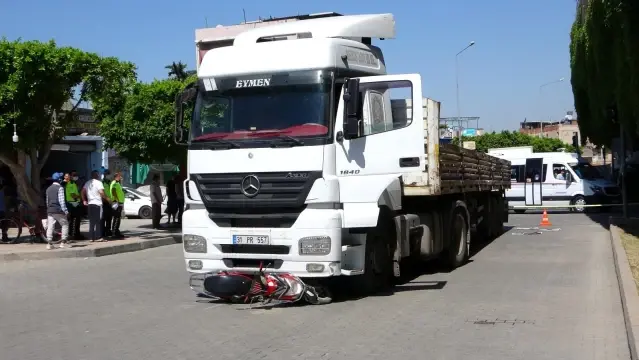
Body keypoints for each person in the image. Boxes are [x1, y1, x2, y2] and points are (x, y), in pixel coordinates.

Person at [81, 170, 111, 242]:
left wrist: (84, 200)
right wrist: (107, 199)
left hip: (90, 204)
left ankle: (91, 237)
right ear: (97, 175)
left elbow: (82, 191)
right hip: (97, 203)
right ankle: (98, 237)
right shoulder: (99, 183)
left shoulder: (88, 183)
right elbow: (101, 192)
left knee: (91, 221)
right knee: (98, 221)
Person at [45, 172, 69, 249]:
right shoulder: (60, 188)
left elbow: (47, 201)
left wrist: (48, 209)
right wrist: (65, 211)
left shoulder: (48, 189)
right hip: (58, 210)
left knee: (50, 226)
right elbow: (61, 201)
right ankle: (63, 242)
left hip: (50, 210)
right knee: (65, 224)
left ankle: (49, 244)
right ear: (59, 179)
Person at [64, 170, 84, 240]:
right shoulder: (70, 184)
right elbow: (73, 195)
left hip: (76, 204)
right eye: (74, 175)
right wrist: (80, 197)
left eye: (76, 175)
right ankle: (72, 235)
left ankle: (77, 234)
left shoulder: (75, 183)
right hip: (72, 204)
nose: (75, 176)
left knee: (77, 220)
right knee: (72, 221)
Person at [109, 172, 125, 238]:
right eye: (119, 176)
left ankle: (116, 231)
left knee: (118, 218)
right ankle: (114, 232)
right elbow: (113, 191)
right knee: (116, 218)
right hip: (116, 202)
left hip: (119, 202)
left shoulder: (117, 183)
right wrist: (117, 200)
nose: (120, 177)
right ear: (116, 177)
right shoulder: (114, 183)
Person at [101, 169, 113, 237]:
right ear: (105, 175)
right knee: (103, 218)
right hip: (104, 202)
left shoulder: (110, 182)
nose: (109, 175)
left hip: (110, 203)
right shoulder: (102, 182)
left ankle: (108, 231)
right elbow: (101, 193)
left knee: (109, 218)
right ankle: (102, 232)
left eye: (109, 174)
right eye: (108, 174)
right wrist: (105, 199)